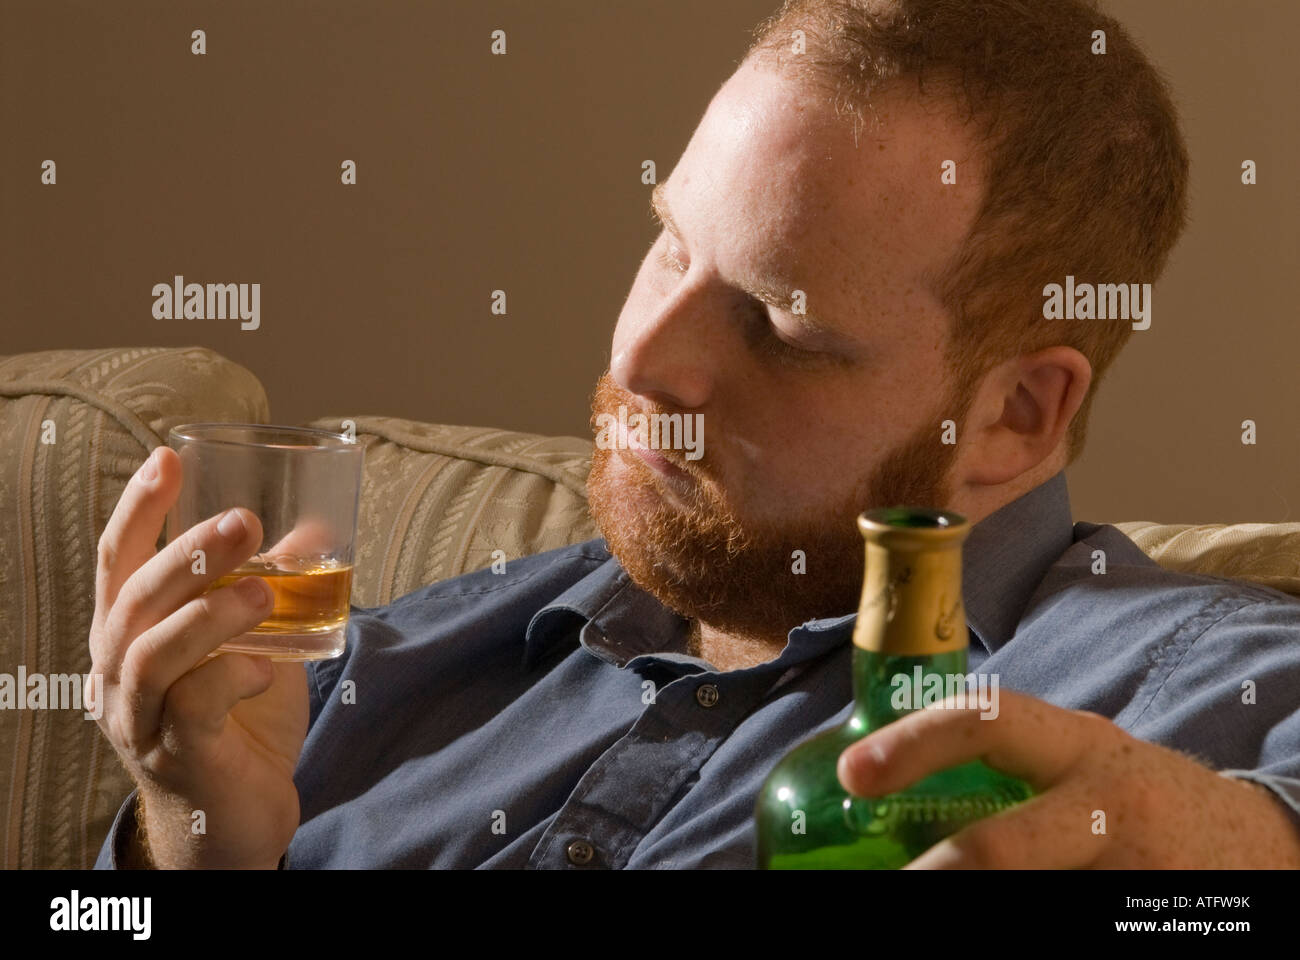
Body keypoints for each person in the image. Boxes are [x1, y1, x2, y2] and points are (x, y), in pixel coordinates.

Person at [92, 0, 1300, 869]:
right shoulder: (358, 671)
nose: (639, 361)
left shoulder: (1190, 678)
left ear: (1013, 415)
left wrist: (1219, 847)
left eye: (780, 322)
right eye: (670, 240)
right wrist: (194, 842)